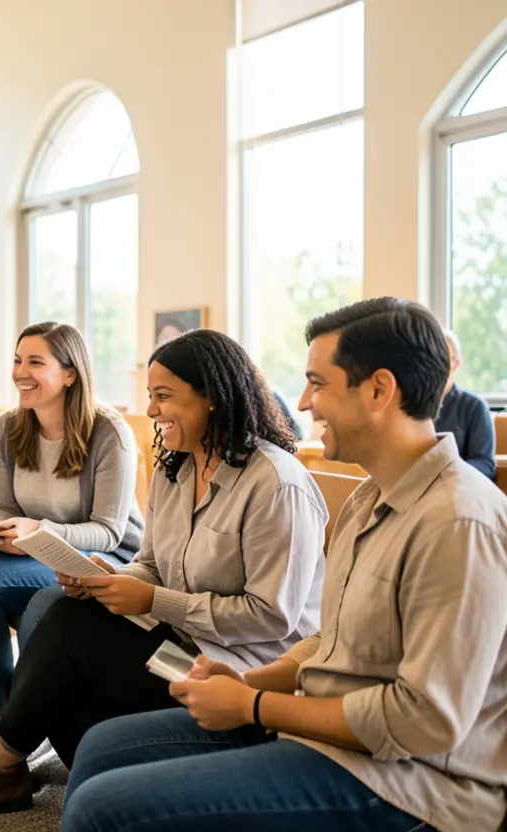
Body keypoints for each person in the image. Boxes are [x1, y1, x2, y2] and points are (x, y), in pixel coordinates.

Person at [61, 298, 507, 832]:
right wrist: (251, 681)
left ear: (379, 391)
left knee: (101, 808)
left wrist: (252, 705)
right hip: (321, 731)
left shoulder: (459, 522)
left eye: (318, 384)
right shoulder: (369, 498)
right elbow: (332, 641)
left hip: (410, 785)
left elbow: (423, 723)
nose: (303, 402)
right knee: (101, 748)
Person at [0, 329, 327, 817]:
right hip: (180, 649)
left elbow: (271, 617)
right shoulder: (176, 470)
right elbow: (152, 564)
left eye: (163, 396)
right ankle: (64, 774)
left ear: (212, 398)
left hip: (232, 674)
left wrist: (151, 600)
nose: (151, 410)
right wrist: (108, 578)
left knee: (69, 631)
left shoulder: (276, 485)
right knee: (64, 636)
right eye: (150, 396)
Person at [0, 322, 144, 755]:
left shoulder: (109, 432)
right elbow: (2, 506)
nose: (20, 372)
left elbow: (109, 531)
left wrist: (38, 531)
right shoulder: (8, 428)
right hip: (32, 551)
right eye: (17, 360)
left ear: (70, 374)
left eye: (35, 362)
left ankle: (5, 716)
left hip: (102, 558)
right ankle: (2, 707)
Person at [433, 328, 494, 479]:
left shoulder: (475, 406)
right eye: (431, 356)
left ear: (455, 365)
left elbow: (484, 463)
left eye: (442, 357)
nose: (435, 363)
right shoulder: (411, 404)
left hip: (457, 485)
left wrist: (446, 472)